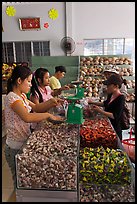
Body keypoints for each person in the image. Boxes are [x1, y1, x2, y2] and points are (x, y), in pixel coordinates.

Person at [4, 65, 64, 188]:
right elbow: (27, 117)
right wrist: (48, 116)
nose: (31, 85)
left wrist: (51, 102)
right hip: (15, 146)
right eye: (29, 81)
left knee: (25, 180)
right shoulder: (12, 98)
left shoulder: (22, 96)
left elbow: (36, 108)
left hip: (23, 142)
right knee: (19, 182)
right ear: (19, 81)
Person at [89, 74, 125, 141]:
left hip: (115, 129)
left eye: (108, 85)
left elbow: (115, 116)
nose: (106, 87)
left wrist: (100, 111)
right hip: (108, 126)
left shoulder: (120, 98)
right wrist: (92, 102)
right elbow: (105, 104)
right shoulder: (111, 94)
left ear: (116, 86)